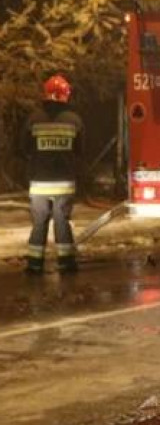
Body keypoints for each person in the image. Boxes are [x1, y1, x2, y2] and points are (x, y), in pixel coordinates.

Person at [20, 75, 84, 275]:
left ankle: (34, 264)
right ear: (66, 95)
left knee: (39, 221)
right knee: (62, 220)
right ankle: (66, 262)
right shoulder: (74, 120)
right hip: (64, 182)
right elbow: (80, 151)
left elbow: (23, 148)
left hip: (39, 182)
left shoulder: (33, 119)